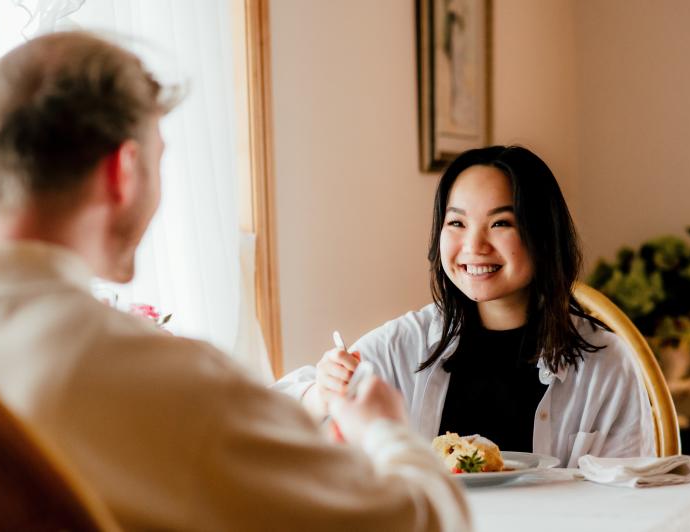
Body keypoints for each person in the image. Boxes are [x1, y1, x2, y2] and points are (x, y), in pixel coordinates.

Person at [0, 31, 469, 531]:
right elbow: (417, 522)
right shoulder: (156, 382)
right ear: (123, 171)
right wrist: (385, 430)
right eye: (158, 161)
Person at [275, 146, 655, 468]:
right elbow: (268, 411)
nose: (474, 246)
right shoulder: (406, 345)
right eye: (456, 222)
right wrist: (321, 394)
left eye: (501, 223)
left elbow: (633, 500)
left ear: (543, 235)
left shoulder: (607, 363)